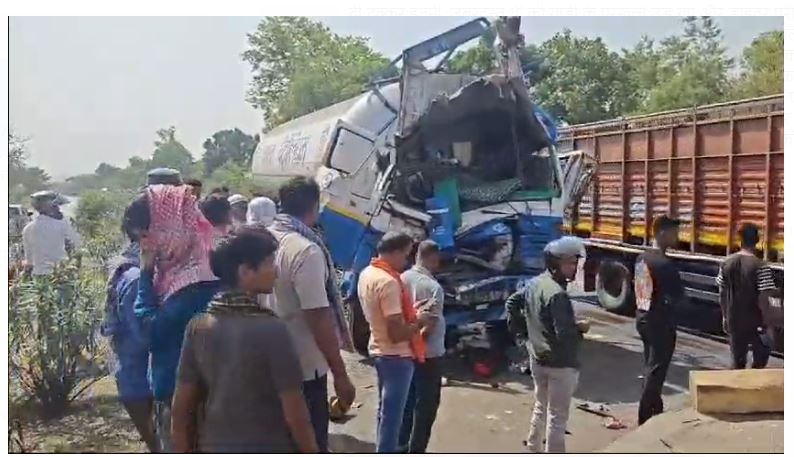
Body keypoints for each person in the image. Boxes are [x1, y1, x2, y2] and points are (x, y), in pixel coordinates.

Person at [171, 227, 319, 453]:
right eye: (270, 263)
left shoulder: (198, 327)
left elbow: (181, 410)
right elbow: (295, 412)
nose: (276, 272)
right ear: (245, 272)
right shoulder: (272, 330)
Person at [265, 177, 355, 453]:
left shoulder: (263, 238)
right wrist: (340, 374)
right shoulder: (305, 250)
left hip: (266, 361)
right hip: (304, 367)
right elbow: (318, 316)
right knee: (310, 442)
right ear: (315, 207)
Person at [131, 184, 221, 452]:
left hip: (181, 401)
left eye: (145, 236)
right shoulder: (204, 268)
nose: (143, 245)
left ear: (168, 231)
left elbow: (147, 331)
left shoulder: (187, 289)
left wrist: (145, 274)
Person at [358, 232, 434, 453]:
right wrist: (420, 320)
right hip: (396, 355)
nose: (407, 261)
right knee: (393, 418)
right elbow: (397, 333)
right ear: (395, 252)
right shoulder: (389, 282)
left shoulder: (368, 272)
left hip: (379, 349)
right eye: (406, 254)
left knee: (385, 412)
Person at [101, 201, 157, 452]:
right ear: (141, 232)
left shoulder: (133, 265)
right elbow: (148, 336)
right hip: (142, 383)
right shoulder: (136, 277)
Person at [522, 237, 584, 453]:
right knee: (557, 418)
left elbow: (513, 304)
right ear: (556, 264)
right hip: (560, 364)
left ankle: (533, 446)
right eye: (570, 263)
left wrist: (523, 335)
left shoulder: (534, 283)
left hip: (537, 358)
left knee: (541, 406)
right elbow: (564, 334)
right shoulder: (557, 294)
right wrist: (580, 330)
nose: (574, 267)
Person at [634, 215, 686, 425]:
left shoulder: (641, 258)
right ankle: (645, 417)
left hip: (643, 317)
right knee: (657, 371)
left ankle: (655, 407)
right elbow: (680, 298)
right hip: (660, 323)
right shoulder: (665, 265)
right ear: (663, 233)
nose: (677, 237)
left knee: (650, 366)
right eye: (674, 233)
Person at [398, 240, 445, 453]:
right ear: (431, 258)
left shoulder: (401, 279)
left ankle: (401, 445)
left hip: (404, 351)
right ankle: (416, 449)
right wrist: (418, 347)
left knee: (407, 402)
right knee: (426, 407)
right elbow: (430, 326)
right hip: (429, 356)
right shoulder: (433, 287)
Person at [716, 223, 776, 369]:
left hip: (734, 319)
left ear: (740, 240)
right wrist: (769, 323)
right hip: (756, 322)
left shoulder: (726, 263)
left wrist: (724, 316)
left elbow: (722, 292)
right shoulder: (761, 266)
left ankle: (736, 386)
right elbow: (764, 297)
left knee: (737, 360)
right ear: (757, 240)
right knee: (761, 356)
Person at [22, 190, 81, 276]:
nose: (59, 210)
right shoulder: (63, 225)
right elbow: (77, 245)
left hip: (38, 276)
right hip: (60, 275)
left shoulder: (27, 229)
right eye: (56, 207)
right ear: (51, 208)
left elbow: (29, 260)